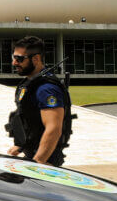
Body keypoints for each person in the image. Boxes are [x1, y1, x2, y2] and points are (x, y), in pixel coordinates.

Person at [5, 36, 72, 166]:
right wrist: (21, 146)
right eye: (13, 58)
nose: (14, 63)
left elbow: (53, 128)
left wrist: (38, 162)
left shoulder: (46, 89)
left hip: (45, 158)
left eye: (19, 59)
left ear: (36, 59)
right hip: (33, 153)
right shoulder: (30, 83)